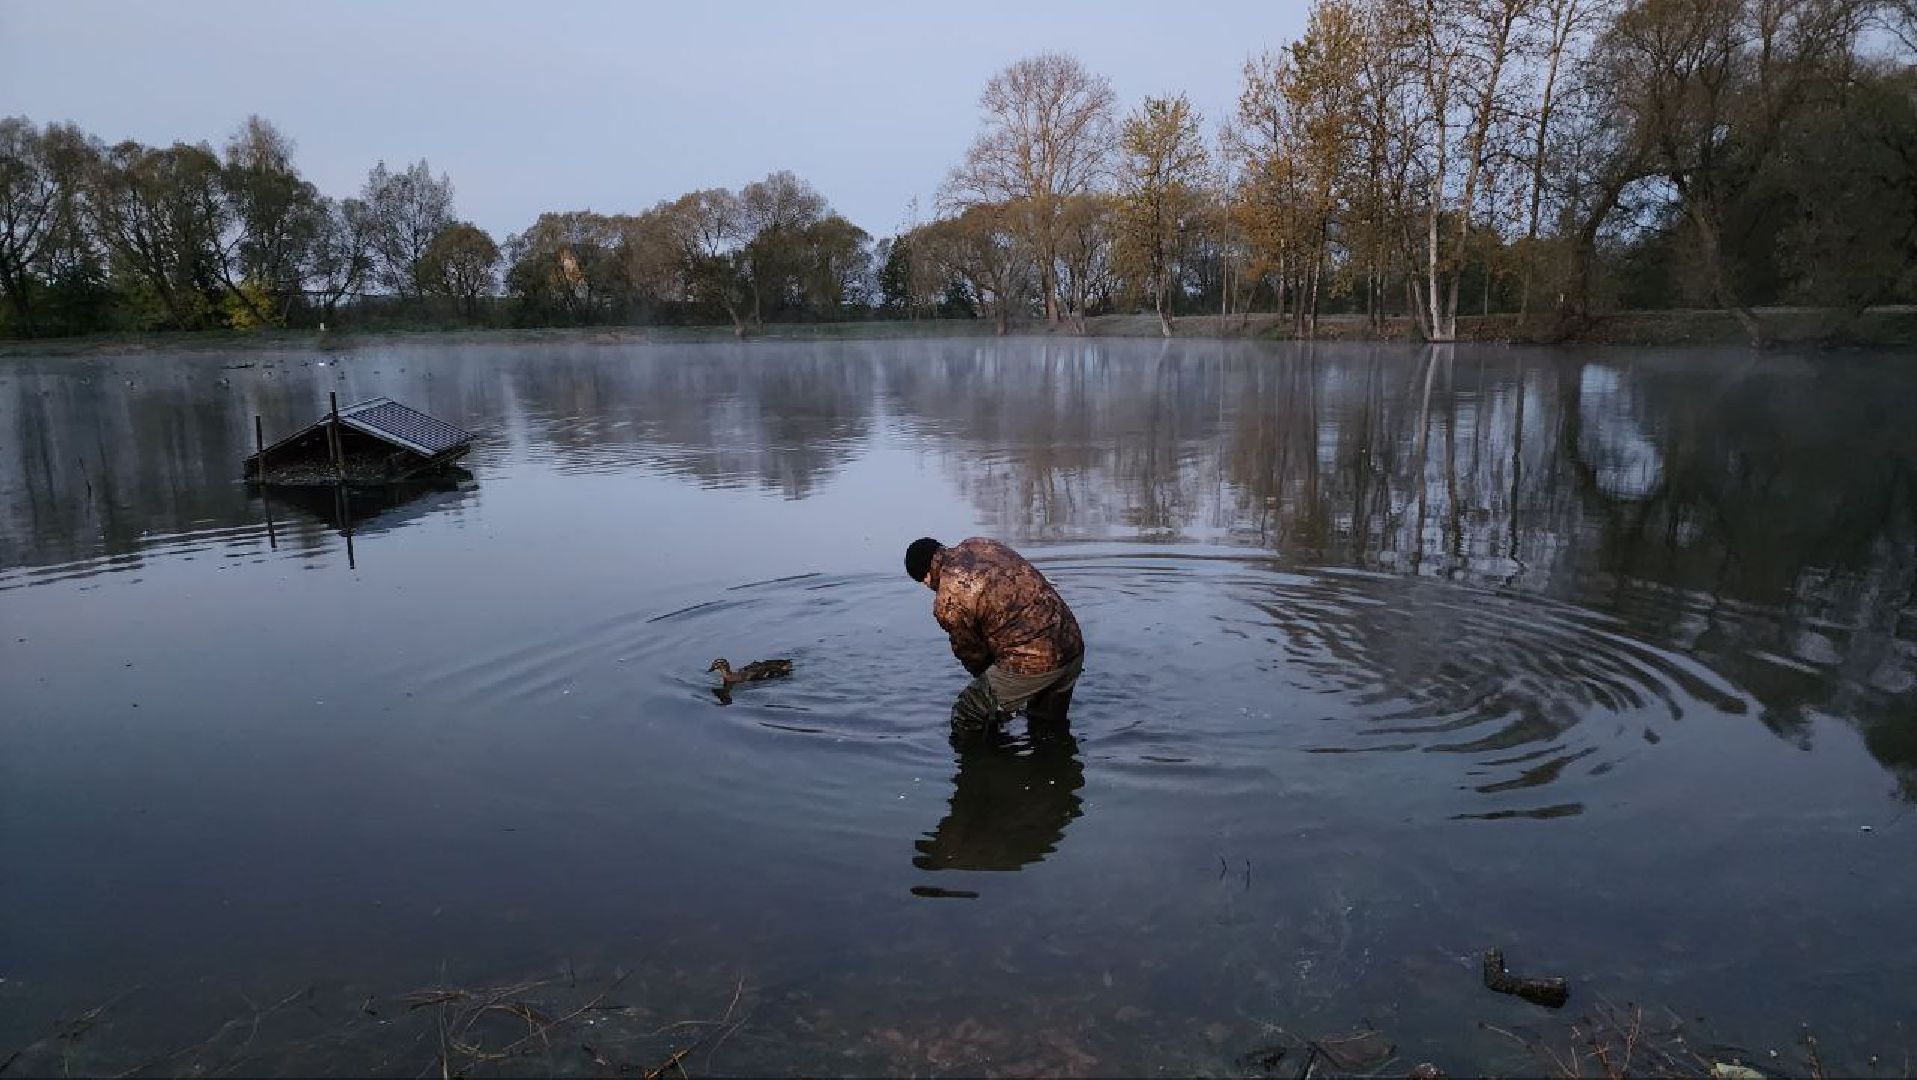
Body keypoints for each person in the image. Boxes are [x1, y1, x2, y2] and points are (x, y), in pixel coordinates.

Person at [904, 536, 1084, 737]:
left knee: (968, 712)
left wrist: (994, 691)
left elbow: (974, 656)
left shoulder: (948, 599)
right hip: (1071, 643)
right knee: (1048, 727)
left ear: (926, 576)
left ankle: (986, 765)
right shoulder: (980, 545)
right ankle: (1057, 763)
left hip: (1035, 661)